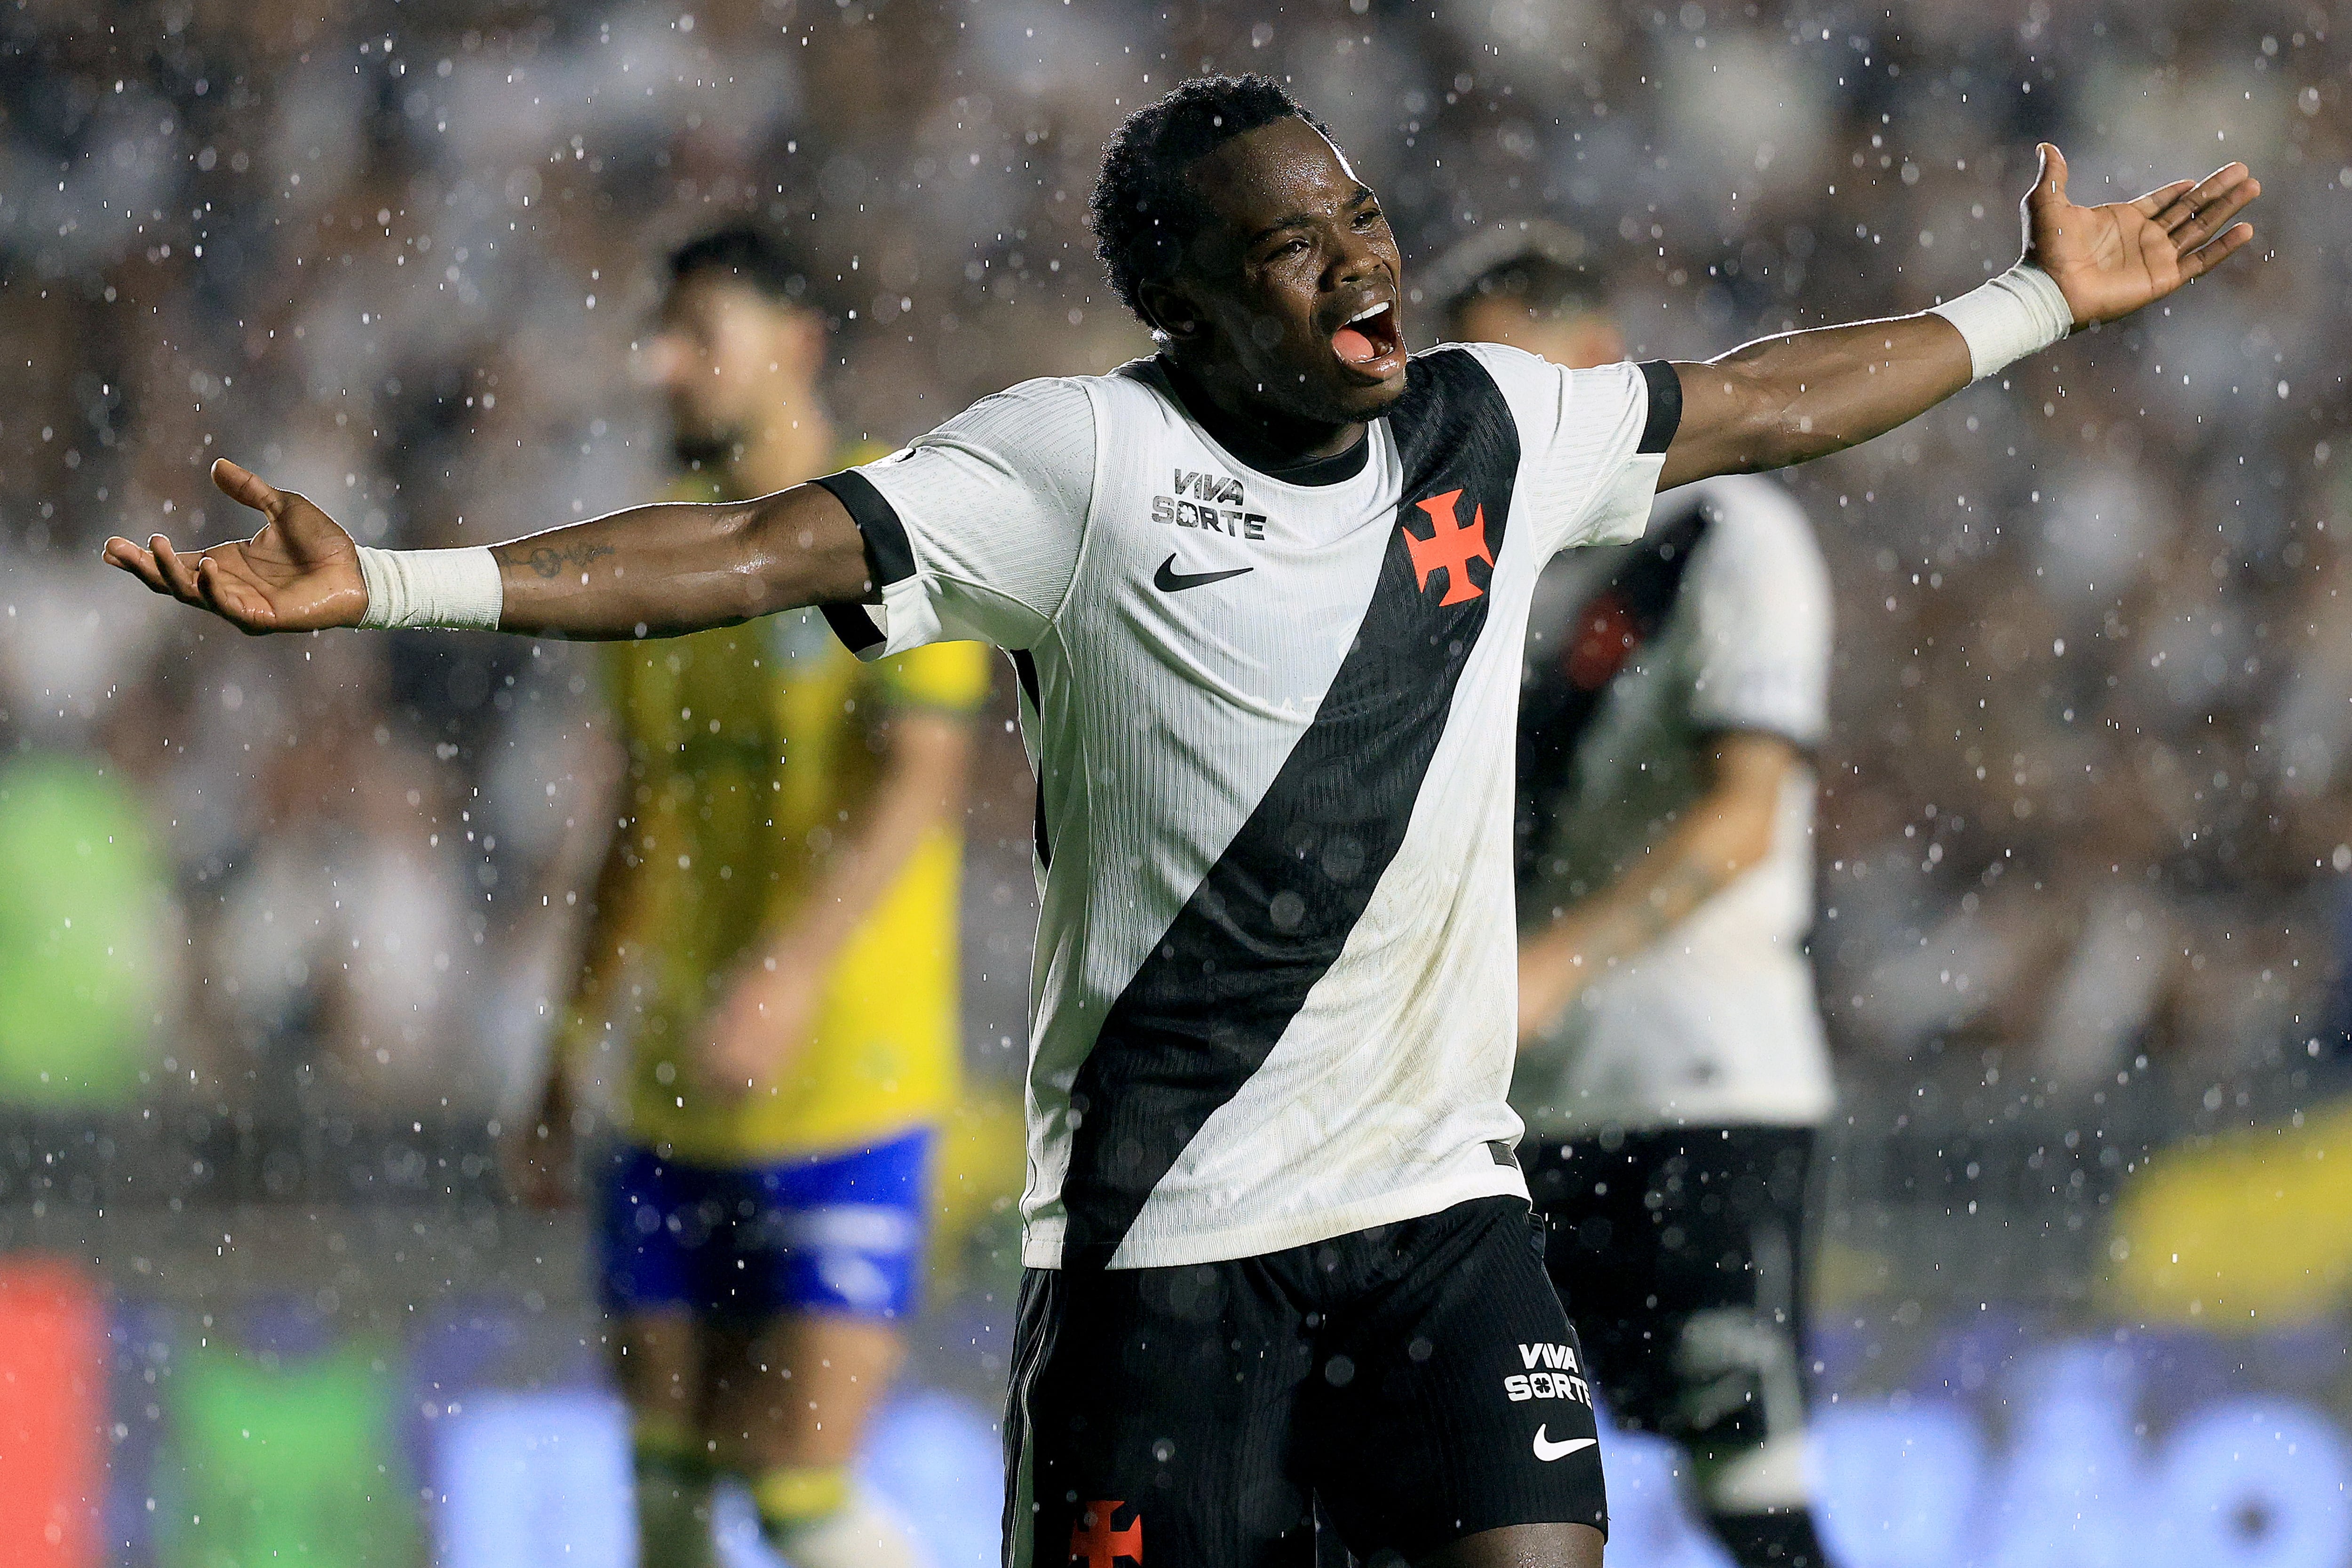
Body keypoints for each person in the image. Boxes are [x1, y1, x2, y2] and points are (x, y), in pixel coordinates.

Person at [106, 73, 2257, 1568]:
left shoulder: (1491, 427)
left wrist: (2035, 302)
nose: (1350, 264)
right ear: (1186, 303)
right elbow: (752, 547)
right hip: (1164, 1254)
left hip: (1436, 1215)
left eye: (1360, 219)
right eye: (1284, 245)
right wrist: (393, 583)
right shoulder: (1069, 471)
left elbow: (1764, 399)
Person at [515, 229, 988, 1568]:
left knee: (795, 1492)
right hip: (667, 1095)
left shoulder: (890, 519)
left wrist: (785, 976)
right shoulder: (665, 560)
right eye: (656, 338)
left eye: (696, 335)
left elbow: (921, 779)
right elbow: (633, 828)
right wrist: (565, 1049)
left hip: (852, 1090)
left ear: (797, 346)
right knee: (667, 1500)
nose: (661, 367)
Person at [1437, 226, 1834, 1568]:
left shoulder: (1726, 532)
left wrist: (1556, 963)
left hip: (1699, 1096)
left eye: (1513, 366)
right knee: (1489, 1508)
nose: (1490, 405)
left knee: (1750, 1497)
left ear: (1601, 366)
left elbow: (1740, 822)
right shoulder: (1485, 569)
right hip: (1508, 1116)